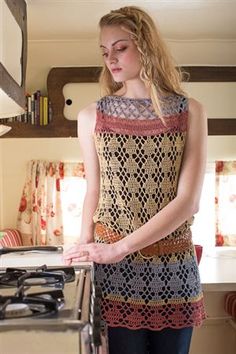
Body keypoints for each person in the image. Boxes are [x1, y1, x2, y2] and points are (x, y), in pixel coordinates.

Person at [63, 5, 207, 354]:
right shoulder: (91, 116)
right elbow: (93, 190)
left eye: (120, 47)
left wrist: (119, 248)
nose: (110, 58)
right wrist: (85, 252)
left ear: (145, 45)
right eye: (104, 51)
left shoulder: (190, 111)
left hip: (174, 271)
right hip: (113, 276)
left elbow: (188, 201)